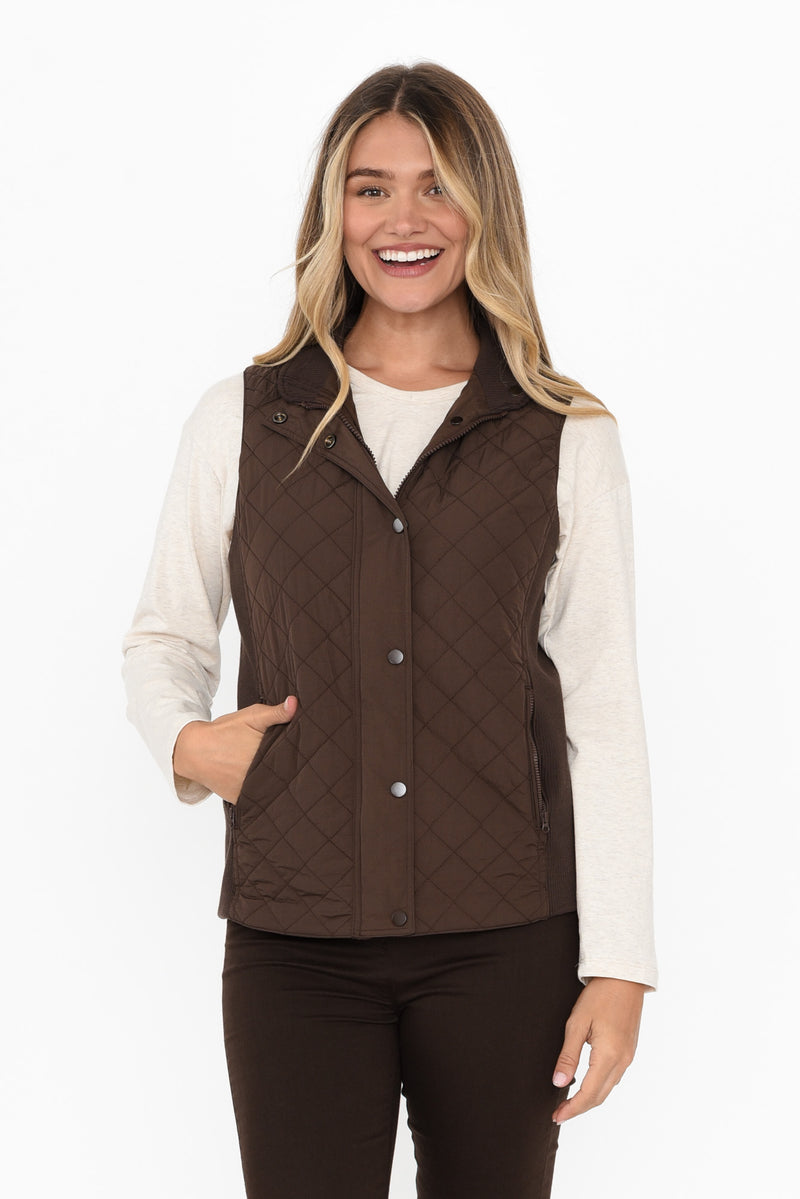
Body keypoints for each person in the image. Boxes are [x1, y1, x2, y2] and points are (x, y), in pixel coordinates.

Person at [122, 62, 657, 1199]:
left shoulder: (565, 434)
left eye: (437, 186)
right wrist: (187, 740)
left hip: (505, 941)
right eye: (371, 189)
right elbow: (164, 635)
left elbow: (602, 705)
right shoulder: (244, 418)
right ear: (335, 212)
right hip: (295, 947)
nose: (402, 220)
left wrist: (620, 964)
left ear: (484, 209)